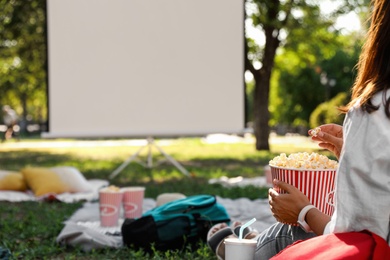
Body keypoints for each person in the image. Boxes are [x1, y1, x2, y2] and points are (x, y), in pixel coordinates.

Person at [207, 0, 390, 258]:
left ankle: (245, 248)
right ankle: (253, 240)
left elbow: (353, 238)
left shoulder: (374, 108)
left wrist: (303, 211)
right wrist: (355, 153)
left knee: (291, 231)